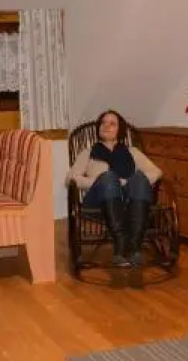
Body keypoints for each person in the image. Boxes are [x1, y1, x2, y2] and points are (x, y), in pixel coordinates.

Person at [65, 110, 161, 285]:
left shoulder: (132, 152)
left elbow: (156, 172)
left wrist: (126, 182)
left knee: (139, 178)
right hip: (98, 201)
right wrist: (99, 181)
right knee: (109, 177)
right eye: (103, 123)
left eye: (112, 123)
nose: (106, 126)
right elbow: (71, 178)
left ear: (120, 130)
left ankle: (134, 248)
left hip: (129, 202)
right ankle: (120, 242)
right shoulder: (89, 152)